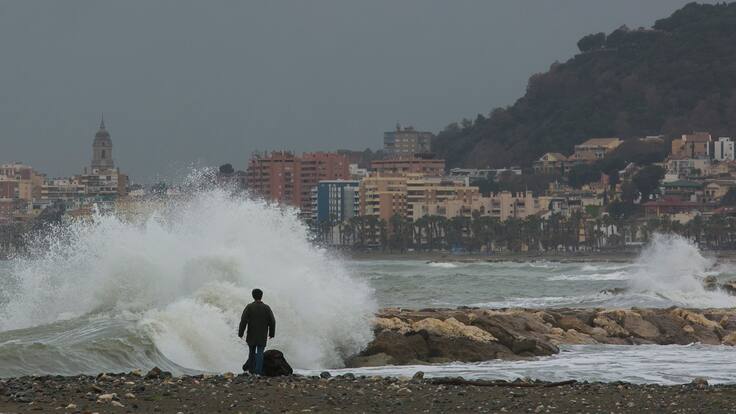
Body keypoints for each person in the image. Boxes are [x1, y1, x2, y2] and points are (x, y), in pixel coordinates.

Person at [238, 288, 276, 375]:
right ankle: (258, 372)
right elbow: (272, 321)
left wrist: (241, 333)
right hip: (262, 335)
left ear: (253, 296)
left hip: (251, 334)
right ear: (261, 296)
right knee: (260, 353)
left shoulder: (249, 307)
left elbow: (243, 320)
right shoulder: (266, 308)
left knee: (251, 352)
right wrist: (271, 333)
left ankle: (251, 371)